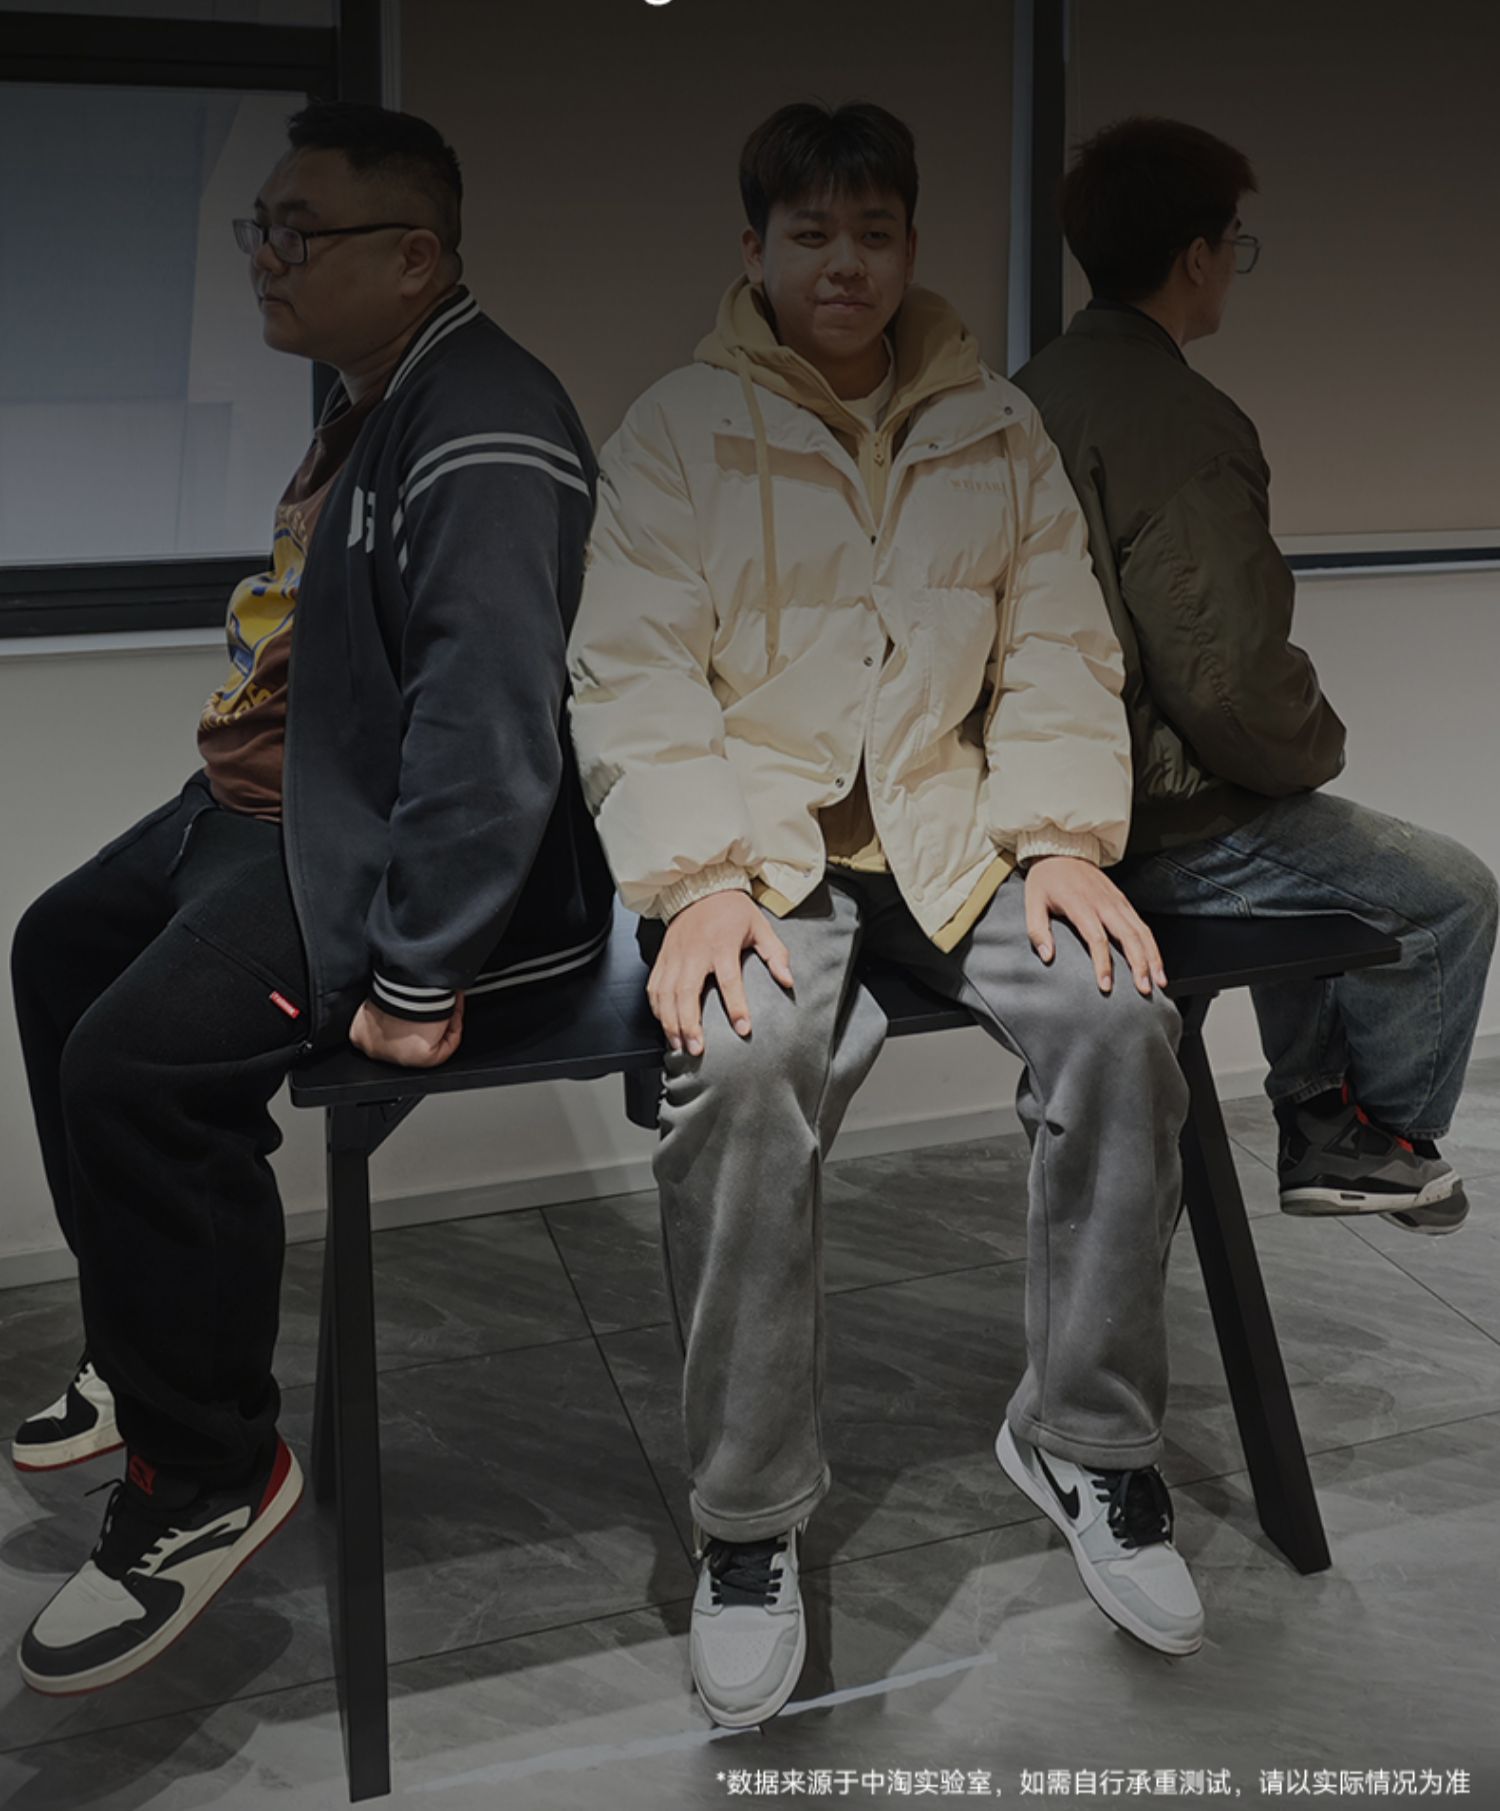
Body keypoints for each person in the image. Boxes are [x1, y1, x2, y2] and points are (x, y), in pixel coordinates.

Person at [568, 101, 1204, 1730]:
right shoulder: (678, 429)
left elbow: (1058, 644)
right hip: (765, 846)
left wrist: (1064, 843)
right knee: (741, 1063)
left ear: (911, 243)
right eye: (811, 235)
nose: (844, 265)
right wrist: (697, 884)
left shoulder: (993, 424)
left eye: (874, 233)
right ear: (755, 248)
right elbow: (634, 670)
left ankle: (1089, 1438)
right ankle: (748, 1516)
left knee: (1122, 1019)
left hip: (951, 832)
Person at [9, 100, 613, 1693]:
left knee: (134, 1068)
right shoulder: (372, 397)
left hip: (356, 845)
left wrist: (418, 971)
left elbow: (489, 723)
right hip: (263, 802)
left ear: (413, 257)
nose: (265, 259)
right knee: (57, 948)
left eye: (299, 232)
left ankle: (205, 1471)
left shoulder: (483, 420)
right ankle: (141, 1338)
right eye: (258, 229)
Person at [1013, 116, 1498, 1235]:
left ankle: (1320, 1106)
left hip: (1064, 807)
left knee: (1313, 843)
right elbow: (1228, 679)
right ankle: (1362, 1137)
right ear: (1198, 254)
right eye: (1235, 241)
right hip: (1162, 818)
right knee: (1451, 893)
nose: (1234, 261)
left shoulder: (1031, 390)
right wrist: (1312, 742)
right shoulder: (1182, 420)